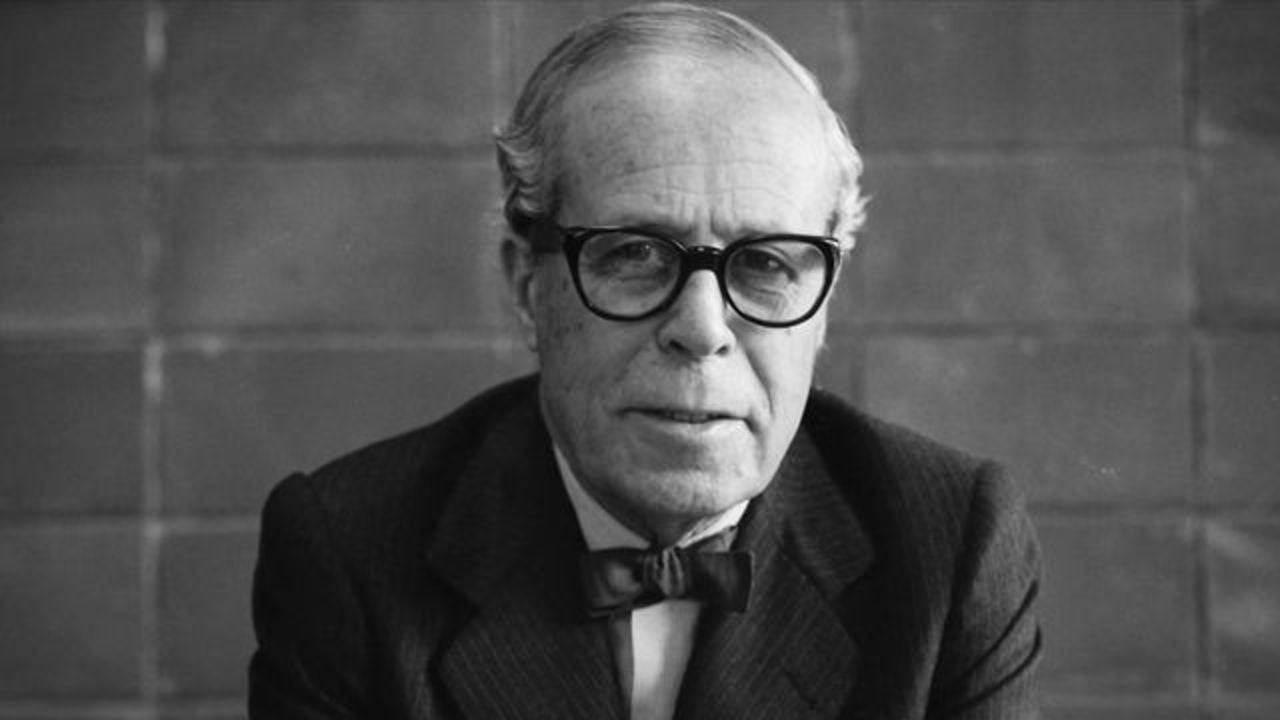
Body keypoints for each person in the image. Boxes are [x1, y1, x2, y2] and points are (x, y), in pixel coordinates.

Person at [248, 3, 1042, 719]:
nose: (702, 328)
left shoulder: (949, 547)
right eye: (635, 254)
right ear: (527, 287)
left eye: (766, 263)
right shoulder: (347, 551)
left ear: (823, 303)